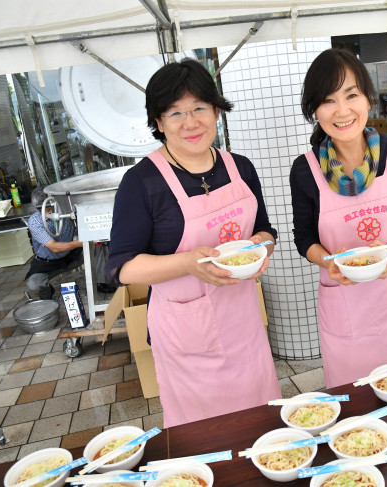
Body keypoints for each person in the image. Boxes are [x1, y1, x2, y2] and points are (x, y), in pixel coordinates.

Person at [106, 59, 280, 428]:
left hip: (244, 323)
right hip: (187, 334)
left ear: (216, 110)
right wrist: (186, 263)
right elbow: (122, 267)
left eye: (200, 107)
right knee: (204, 437)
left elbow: (265, 230)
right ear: (159, 122)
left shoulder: (241, 167)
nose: (191, 122)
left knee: (260, 426)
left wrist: (259, 249)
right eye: (175, 113)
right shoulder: (142, 183)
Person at [290, 48, 387, 389]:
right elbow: (305, 238)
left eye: (351, 95)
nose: (342, 111)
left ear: (368, 99)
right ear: (315, 110)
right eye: (328, 100)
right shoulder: (305, 170)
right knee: (355, 415)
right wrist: (329, 263)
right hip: (345, 312)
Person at [25, 187, 84, 299]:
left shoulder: (67, 213)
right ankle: (47, 297)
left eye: (50, 207)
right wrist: (82, 243)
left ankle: (102, 282)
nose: (49, 212)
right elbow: (54, 247)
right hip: (47, 263)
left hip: (71, 256)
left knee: (99, 248)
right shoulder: (35, 222)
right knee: (34, 285)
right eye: (44, 209)